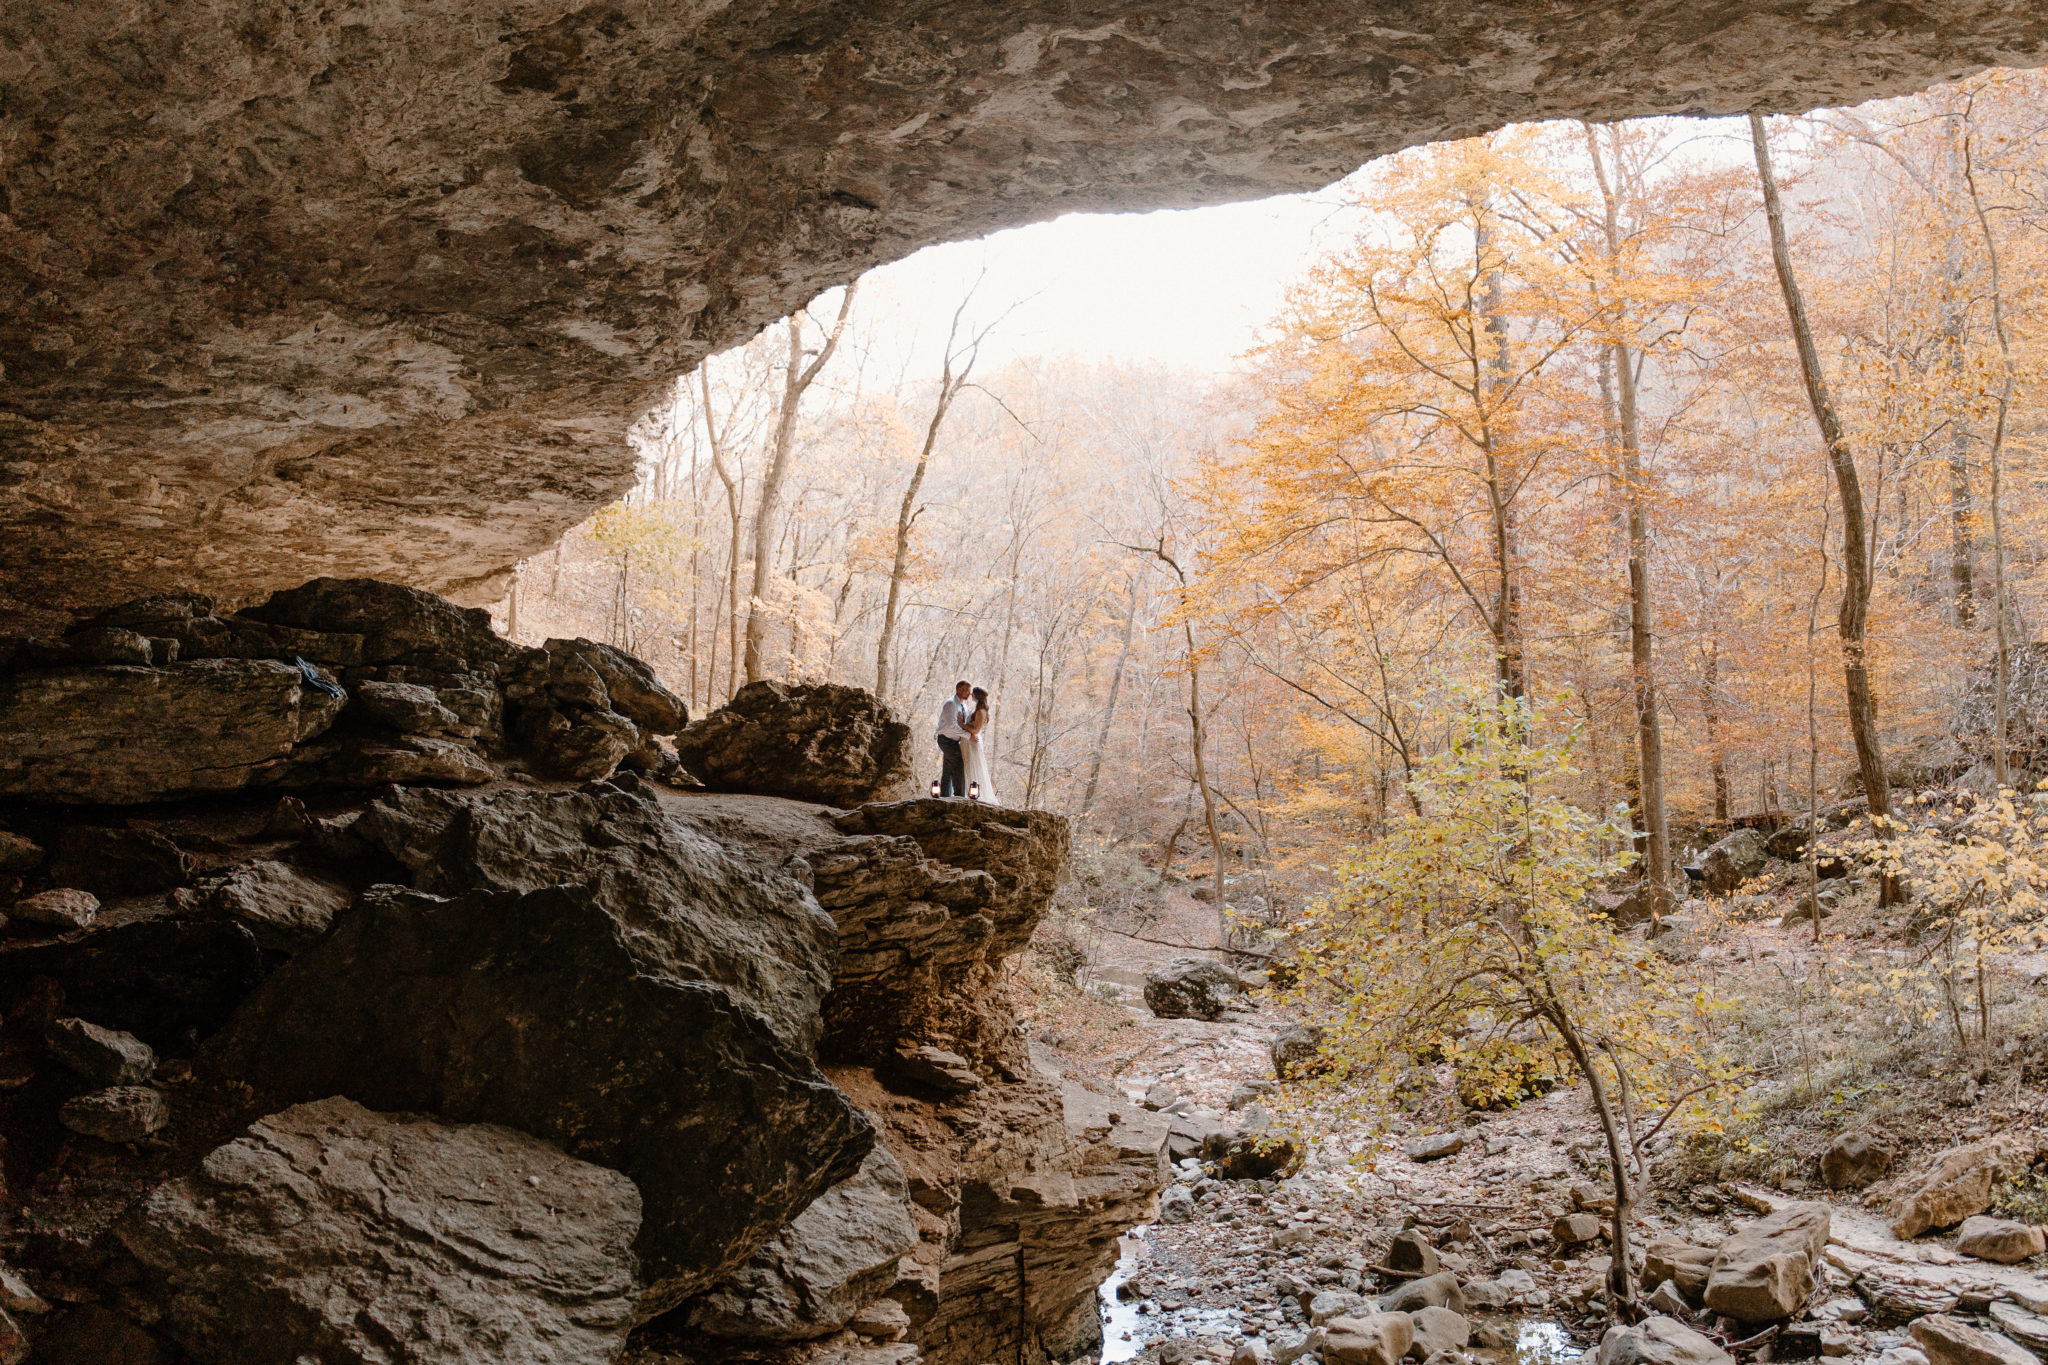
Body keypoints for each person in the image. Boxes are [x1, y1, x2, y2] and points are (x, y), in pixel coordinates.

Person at [962, 686, 1001, 805]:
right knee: (967, 767)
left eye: (972, 693)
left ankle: (975, 794)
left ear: (977, 696)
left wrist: (961, 724)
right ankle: (967, 793)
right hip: (967, 741)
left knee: (972, 766)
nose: (970, 695)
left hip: (971, 743)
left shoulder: (981, 711)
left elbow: (975, 729)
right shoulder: (977, 709)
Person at [934, 679, 972, 797]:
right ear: (959, 690)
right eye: (967, 691)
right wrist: (968, 736)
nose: (969, 694)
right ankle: (959, 797)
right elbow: (951, 725)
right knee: (958, 766)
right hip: (946, 740)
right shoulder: (950, 704)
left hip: (954, 742)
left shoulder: (963, 706)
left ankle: (944, 796)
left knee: (948, 769)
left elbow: (961, 723)